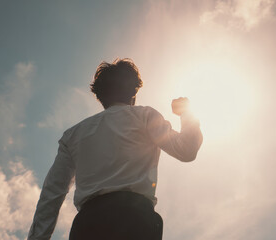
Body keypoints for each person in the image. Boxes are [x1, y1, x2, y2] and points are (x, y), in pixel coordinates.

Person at [28, 58, 203, 240]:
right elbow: (187, 150)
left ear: (100, 96)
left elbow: (52, 193)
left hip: (88, 226)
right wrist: (186, 112)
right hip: (136, 221)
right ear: (133, 91)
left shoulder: (73, 135)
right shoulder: (144, 115)